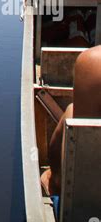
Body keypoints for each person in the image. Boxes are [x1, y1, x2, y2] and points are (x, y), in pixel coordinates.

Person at [40, 44, 101, 196]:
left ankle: (54, 183)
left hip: (89, 207)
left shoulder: (93, 61)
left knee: (71, 111)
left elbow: (83, 153)